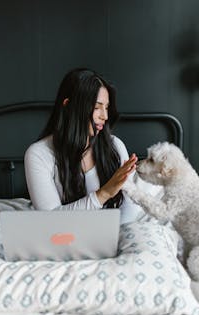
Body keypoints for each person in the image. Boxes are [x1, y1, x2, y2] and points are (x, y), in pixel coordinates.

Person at [24, 68, 140, 223]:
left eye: (106, 107)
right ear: (69, 106)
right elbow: (50, 220)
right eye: (97, 107)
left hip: (111, 234)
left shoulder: (115, 147)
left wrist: (112, 236)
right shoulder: (39, 154)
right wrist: (104, 193)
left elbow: (129, 207)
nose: (104, 116)